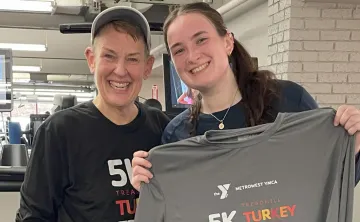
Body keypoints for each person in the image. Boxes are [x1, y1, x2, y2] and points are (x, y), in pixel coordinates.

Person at [131, 2, 360, 191]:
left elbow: (333, 182)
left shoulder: (288, 100)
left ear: (228, 42)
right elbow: (176, 208)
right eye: (179, 50)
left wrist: (354, 143)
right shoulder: (176, 134)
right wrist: (150, 189)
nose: (192, 56)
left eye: (201, 39)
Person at [16, 6, 169, 222]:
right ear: (91, 60)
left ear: (147, 66)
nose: (120, 70)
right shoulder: (59, 132)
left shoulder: (162, 128)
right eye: (109, 56)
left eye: (133, 59)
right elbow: (32, 217)